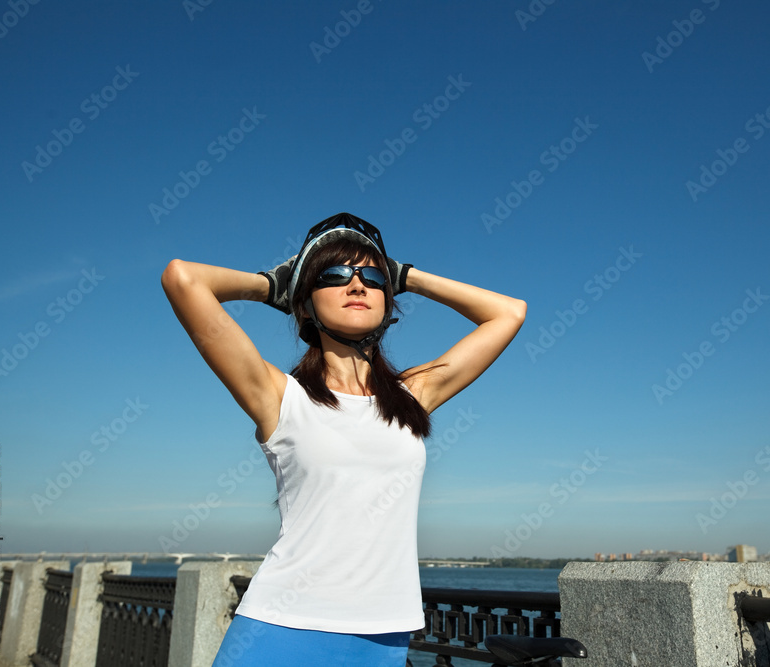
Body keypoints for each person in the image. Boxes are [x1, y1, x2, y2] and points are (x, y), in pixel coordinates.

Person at [160, 212, 527, 666]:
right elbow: (182, 278)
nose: (357, 285)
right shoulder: (279, 397)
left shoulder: (414, 396)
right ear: (304, 304)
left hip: (384, 635)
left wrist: (404, 276)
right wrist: (276, 285)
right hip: (282, 628)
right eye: (334, 275)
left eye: (371, 277)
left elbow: (509, 313)